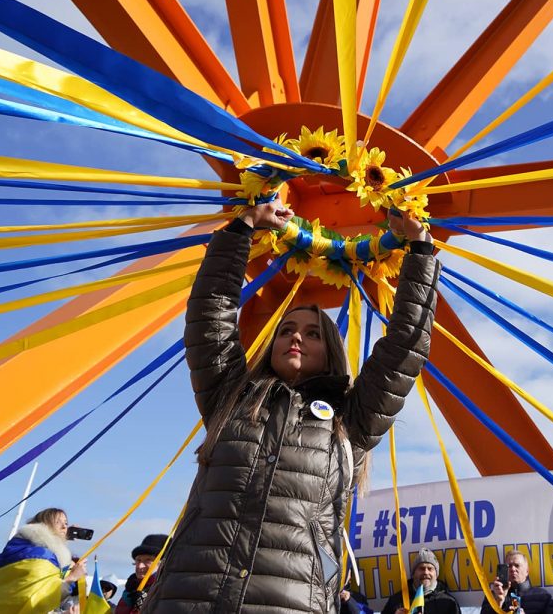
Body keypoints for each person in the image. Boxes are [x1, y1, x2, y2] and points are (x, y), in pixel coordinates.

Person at [141, 200, 440, 613]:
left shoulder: (350, 421)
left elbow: (404, 347)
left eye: (313, 333)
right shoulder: (231, 397)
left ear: (331, 349)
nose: (296, 338)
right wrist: (244, 227)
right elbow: (210, 314)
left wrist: (420, 249)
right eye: (287, 330)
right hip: (190, 597)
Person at [0, 507, 87, 613]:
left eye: (66, 523)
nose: (64, 526)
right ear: (45, 525)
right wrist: (72, 577)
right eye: (57, 522)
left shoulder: (20, 545)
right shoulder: (43, 556)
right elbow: (38, 599)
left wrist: (61, 538)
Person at [382, 548, 461, 614]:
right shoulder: (396, 600)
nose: (426, 572)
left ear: (436, 574)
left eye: (430, 569)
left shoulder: (449, 602)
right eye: (421, 568)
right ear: (413, 573)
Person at [481, 550, 553, 614]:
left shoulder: (543, 596)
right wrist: (498, 603)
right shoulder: (493, 596)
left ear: (527, 571)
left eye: (517, 565)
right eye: (509, 566)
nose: (513, 569)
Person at [116, 534, 167, 614]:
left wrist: (147, 606)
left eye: (148, 560)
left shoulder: (168, 588)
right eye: (138, 560)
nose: (140, 566)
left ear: (162, 563)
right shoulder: (130, 588)